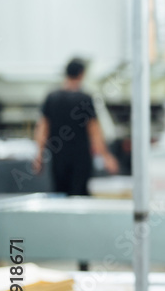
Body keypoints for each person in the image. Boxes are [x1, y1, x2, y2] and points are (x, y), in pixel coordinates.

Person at [33, 58, 119, 195]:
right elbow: (94, 132)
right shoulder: (85, 99)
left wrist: (39, 155)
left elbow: (42, 128)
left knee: (60, 194)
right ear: (81, 74)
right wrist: (106, 156)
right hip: (81, 159)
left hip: (58, 157)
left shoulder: (52, 97)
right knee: (79, 197)